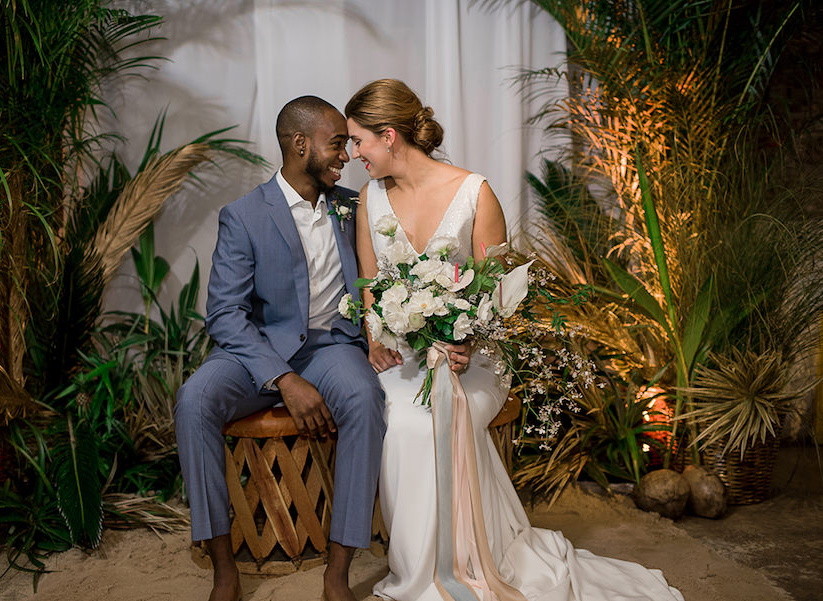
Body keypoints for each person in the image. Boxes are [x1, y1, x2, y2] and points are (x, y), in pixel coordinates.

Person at [345, 79, 684, 601]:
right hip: (406, 355)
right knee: (402, 418)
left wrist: (470, 343)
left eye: (358, 141)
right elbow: (370, 285)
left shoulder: (473, 193)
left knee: (425, 422)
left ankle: (441, 574)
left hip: (476, 358)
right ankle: (425, 568)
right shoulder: (370, 199)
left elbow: (504, 294)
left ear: (388, 136)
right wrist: (374, 339)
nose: (353, 155)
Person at [175, 96, 386, 601]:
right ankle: (224, 570)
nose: (346, 155)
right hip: (256, 350)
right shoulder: (244, 216)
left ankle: (337, 575)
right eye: (337, 144)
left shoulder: (354, 207)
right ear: (299, 144)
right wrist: (283, 379)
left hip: (330, 345)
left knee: (364, 400)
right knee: (194, 401)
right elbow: (225, 314)